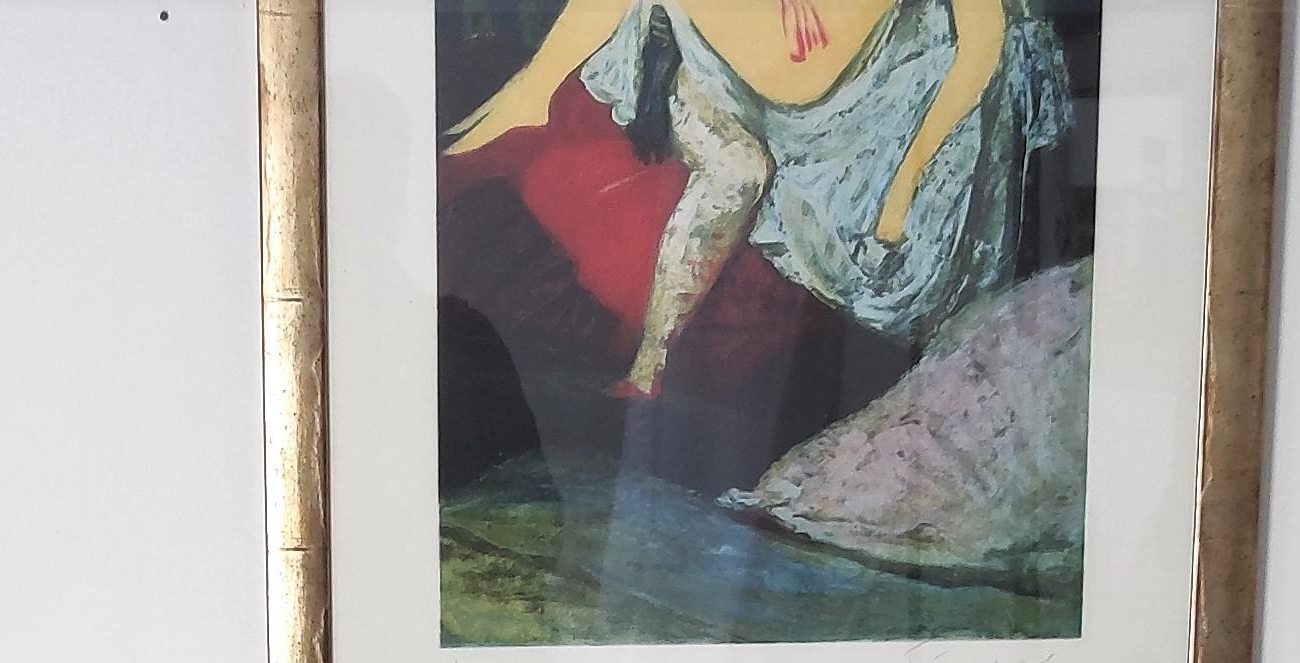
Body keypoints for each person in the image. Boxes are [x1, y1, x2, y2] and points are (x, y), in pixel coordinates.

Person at [447, 0, 1067, 400]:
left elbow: (981, 45)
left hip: (868, 113)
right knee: (735, 168)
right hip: (735, 75)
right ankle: (649, 364)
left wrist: (904, 182)